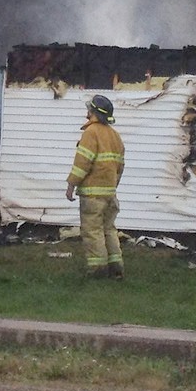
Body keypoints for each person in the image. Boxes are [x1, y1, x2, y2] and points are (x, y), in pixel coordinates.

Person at [64, 94, 126, 278]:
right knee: (109, 230)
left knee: (93, 231)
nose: (86, 113)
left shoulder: (91, 133)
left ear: (94, 113)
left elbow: (82, 163)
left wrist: (70, 186)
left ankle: (98, 270)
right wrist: (112, 186)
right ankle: (116, 268)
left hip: (92, 195)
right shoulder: (115, 136)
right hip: (110, 194)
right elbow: (119, 167)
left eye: (89, 110)